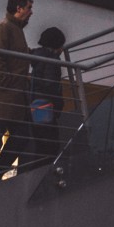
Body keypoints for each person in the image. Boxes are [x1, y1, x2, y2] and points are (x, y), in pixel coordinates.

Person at [0, 0, 34, 183]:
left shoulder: (14, 29)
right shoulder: (4, 28)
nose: (31, 12)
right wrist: (10, 82)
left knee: (16, 137)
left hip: (8, 97)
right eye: (28, 7)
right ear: (19, 8)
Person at [25, 26, 67, 167]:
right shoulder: (51, 59)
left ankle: (37, 174)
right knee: (50, 146)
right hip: (45, 105)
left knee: (41, 146)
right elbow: (50, 85)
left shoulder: (38, 57)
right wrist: (58, 104)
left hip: (36, 104)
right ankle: (41, 177)